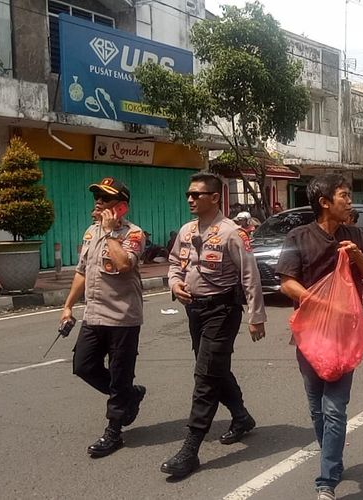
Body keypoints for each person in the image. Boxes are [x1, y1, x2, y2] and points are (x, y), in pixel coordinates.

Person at [275, 173, 363, 500]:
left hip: (345, 334)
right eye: (344, 196)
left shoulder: (354, 234)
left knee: (335, 408)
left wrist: (356, 254)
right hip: (310, 333)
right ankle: (330, 455)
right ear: (325, 202)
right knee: (316, 407)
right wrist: (320, 302)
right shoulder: (299, 236)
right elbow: (286, 282)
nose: (349, 201)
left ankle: (327, 480)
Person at [161, 172, 267, 480]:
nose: (191, 199)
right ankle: (242, 417)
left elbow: (250, 274)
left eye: (197, 194)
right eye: (189, 195)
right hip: (195, 310)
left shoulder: (232, 233)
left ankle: (190, 448)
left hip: (222, 310)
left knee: (206, 374)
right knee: (213, 367)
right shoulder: (187, 230)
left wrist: (256, 315)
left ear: (215, 198)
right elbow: (173, 263)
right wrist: (175, 284)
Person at [61, 177, 147, 458]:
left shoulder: (133, 234)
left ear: (121, 207)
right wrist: (68, 306)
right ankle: (129, 395)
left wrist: (110, 235)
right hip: (94, 314)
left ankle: (114, 431)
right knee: (83, 366)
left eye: (105, 198)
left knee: (120, 375)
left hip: (123, 318)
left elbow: (123, 265)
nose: (98, 202)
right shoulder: (90, 232)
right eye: (96, 196)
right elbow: (82, 272)